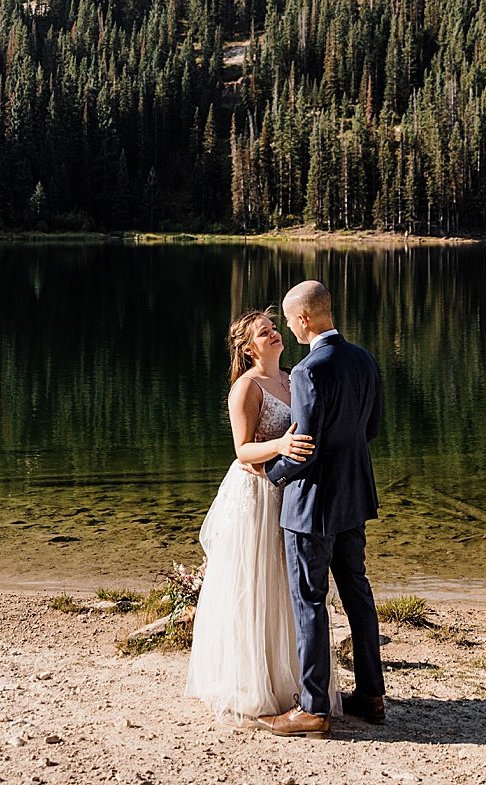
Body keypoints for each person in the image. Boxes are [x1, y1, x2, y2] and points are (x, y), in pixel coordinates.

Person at [259, 279, 387, 737]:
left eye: (291, 321)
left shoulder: (308, 371)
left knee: (309, 599)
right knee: (357, 592)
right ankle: (371, 695)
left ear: (305, 319)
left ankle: (313, 708)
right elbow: (370, 429)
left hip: (312, 504)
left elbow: (303, 449)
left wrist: (270, 477)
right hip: (354, 497)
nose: (289, 329)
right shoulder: (364, 359)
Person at [184, 307, 323, 720]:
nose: (275, 334)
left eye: (275, 328)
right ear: (248, 348)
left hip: (290, 493)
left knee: (287, 585)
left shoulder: (293, 376)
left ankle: (294, 680)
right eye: (265, 333)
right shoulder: (246, 388)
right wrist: (280, 446)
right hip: (257, 496)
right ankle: (254, 682)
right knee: (255, 583)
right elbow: (243, 451)